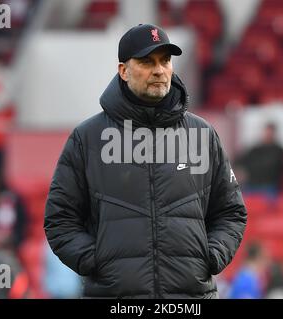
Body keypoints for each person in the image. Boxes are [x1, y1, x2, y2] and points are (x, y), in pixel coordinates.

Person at [44, 23, 247, 299]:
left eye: (165, 60)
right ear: (123, 71)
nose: (159, 70)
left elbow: (230, 212)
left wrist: (209, 257)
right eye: (147, 61)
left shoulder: (202, 134)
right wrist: (97, 262)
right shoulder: (87, 138)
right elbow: (60, 219)